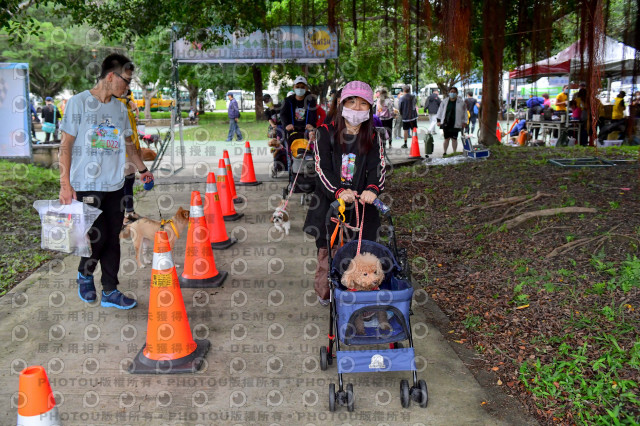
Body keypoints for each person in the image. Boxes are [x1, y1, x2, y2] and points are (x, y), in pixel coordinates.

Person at [58, 53, 153, 309]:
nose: (128, 87)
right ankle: (85, 273)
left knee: (113, 237)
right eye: (126, 80)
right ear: (111, 76)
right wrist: (65, 185)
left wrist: (143, 170)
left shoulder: (120, 108)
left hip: (115, 185)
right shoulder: (78, 103)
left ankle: (110, 290)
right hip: (86, 184)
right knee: (97, 236)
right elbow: (65, 145)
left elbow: (128, 144)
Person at [303, 80, 385, 306]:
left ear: (370, 107)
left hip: (362, 208)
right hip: (331, 205)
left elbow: (376, 168)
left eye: (363, 104)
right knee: (328, 254)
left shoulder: (373, 136)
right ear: (341, 104)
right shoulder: (325, 133)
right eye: (352, 102)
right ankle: (327, 294)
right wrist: (338, 191)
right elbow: (322, 169)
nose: (357, 108)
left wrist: (372, 189)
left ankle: (361, 295)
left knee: (363, 252)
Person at [118, 89, 143, 226]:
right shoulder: (117, 103)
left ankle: (130, 211)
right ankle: (122, 216)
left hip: (132, 149)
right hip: (122, 152)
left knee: (130, 181)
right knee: (123, 184)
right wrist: (128, 101)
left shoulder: (127, 105)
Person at [436, 87, 467, 156]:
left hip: (456, 122)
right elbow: (440, 111)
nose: (452, 93)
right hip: (446, 122)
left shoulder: (461, 102)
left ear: (457, 93)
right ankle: (444, 152)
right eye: (451, 92)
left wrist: (465, 122)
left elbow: (465, 113)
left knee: (454, 139)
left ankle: (454, 152)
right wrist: (438, 120)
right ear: (449, 93)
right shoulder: (444, 101)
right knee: (446, 139)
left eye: (454, 92)